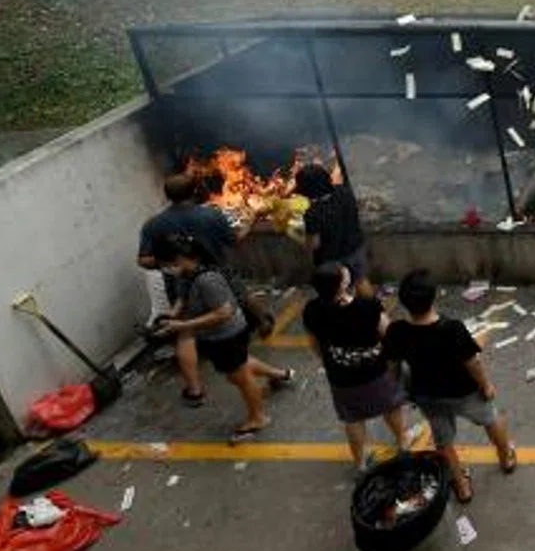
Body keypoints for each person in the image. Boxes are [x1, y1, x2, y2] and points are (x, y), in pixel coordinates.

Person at [382, 269, 517, 503]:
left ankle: (462, 487)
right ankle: (505, 457)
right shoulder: (451, 329)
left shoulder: (397, 331)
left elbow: (392, 365)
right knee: (490, 419)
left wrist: (398, 387)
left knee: (443, 441)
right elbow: (472, 362)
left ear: (404, 303)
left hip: (428, 395)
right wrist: (485, 385)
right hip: (464, 391)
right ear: (434, 298)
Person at [155, 234, 292, 443]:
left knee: (240, 377)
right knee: (240, 366)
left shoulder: (208, 279)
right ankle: (280, 374)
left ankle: (258, 417)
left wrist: (182, 325)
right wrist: (172, 316)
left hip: (227, 334)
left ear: (181, 258)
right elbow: (183, 296)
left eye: (167, 263)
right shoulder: (187, 274)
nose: (166, 269)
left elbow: (223, 312)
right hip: (215, 336)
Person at [137, 173, 247, 407]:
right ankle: (242, 358)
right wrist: (251, 221)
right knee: (233, 310)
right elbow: (233, 240)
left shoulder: (153, 224)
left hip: (181, 287)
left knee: (185, 335)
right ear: (196, 191)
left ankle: (195, 389)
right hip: (219, 276)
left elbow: (143, 260)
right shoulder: (211, 214)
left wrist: (166, 265)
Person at [303, 261, 408, 469]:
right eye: (344, 275)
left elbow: (314, 343)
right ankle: (403, 442)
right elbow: (388, 335)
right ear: (341, 285)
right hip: (375, 372)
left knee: (352, 418)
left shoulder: (312, 310)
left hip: (340, 377)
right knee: (391, 406)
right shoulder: (367, 306)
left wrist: (330, 361)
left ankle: (361, 462)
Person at [295, 163, 369, 294]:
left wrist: (303, 241)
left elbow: (314, 243)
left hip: (333, 259)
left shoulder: (313, 213)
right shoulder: (344, 191)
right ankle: (373, 309)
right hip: (356, 247)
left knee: (339, 291)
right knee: (361, 280)